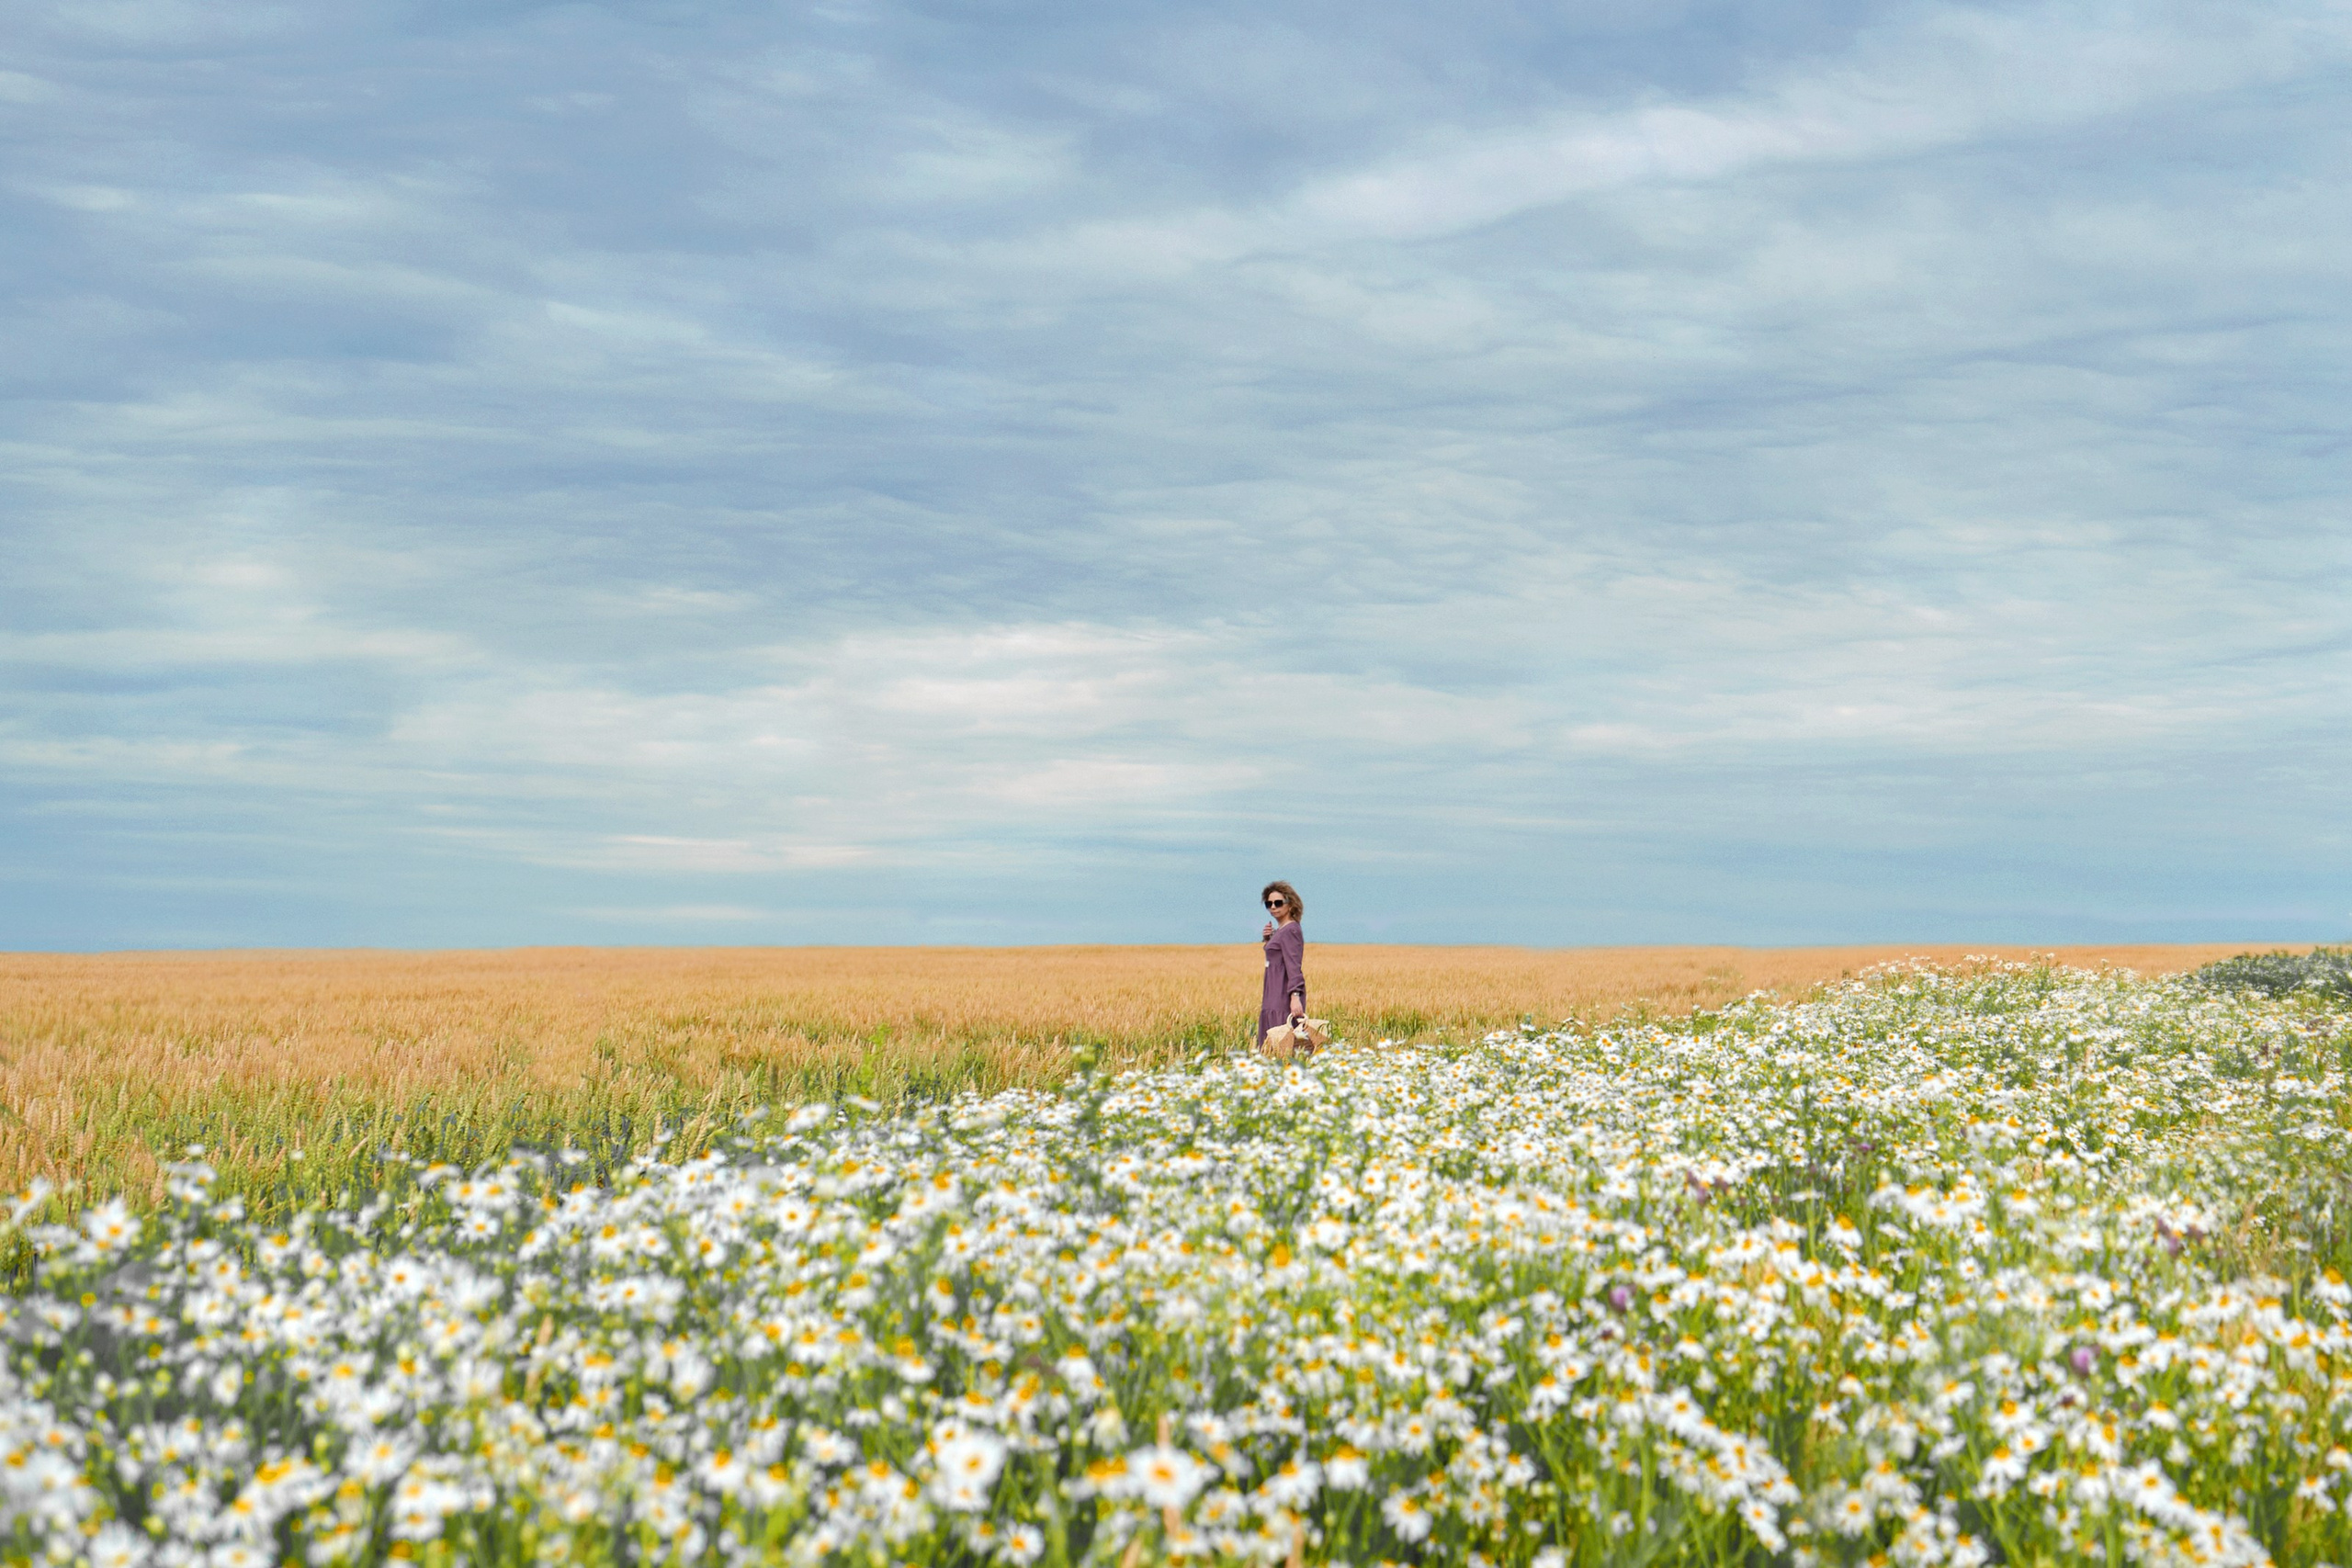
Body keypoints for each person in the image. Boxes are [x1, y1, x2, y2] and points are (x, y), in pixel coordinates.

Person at [1258, 880, 1306, 1047]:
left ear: (1290, 905)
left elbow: (1294, 965)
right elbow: (1277, 957)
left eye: (1278, 903)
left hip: (1281, 995)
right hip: (1272, 992)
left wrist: (1295, 996)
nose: (1273, 907)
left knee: (1281, 1041)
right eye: (1268, 903)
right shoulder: (1282, 930)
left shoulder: (1291, 930)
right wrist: (1269, 940)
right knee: (1273, 1039)